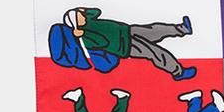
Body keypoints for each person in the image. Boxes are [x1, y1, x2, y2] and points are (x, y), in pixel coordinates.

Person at [62, 7, 196, 79]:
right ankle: (178, 72)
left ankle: (182, 29)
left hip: (127, 30)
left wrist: (84, 11)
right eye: (78, 16)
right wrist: (82, 33)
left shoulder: (89, 20)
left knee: (155, 29)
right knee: (155, 52)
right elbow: (102, 42)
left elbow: (96, 11)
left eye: (80, 13)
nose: (82, 15)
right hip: (126, 45)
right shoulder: (87, 38)